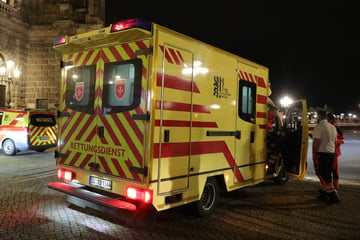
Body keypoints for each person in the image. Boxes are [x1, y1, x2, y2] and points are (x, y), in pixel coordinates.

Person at [312, 110, 340, 204]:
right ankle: (324, 194)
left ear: (319, 117)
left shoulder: (319, 126)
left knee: (321, 174)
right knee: (327, 174)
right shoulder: (332, 127)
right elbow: (335, 141)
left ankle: (333, 195)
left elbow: (316, 142)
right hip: (331, 154)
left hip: (322, 154)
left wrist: (314, 154)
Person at [327, 113, 345, 190]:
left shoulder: (334, 128)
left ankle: (335, 185)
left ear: (330, 120)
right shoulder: (328, 127)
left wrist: (335, 141)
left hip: (333, 152)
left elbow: (342, 139)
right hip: (329, 151)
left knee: (333, 169)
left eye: (327, 119)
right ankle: (331, 185)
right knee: (329, 169)